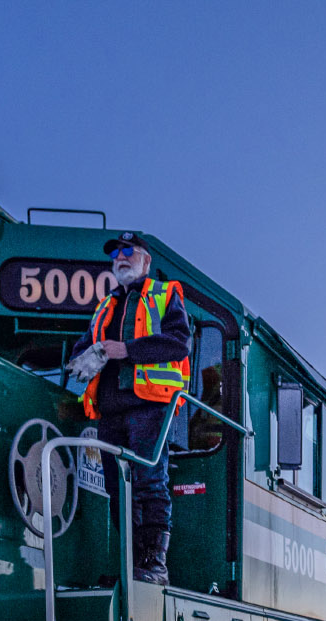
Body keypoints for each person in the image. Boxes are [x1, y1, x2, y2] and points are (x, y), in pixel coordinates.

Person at [66, 233, 191, 585]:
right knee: (117, 490)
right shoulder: (104, 307)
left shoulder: (166, 296)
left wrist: (126, 350)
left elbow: (178, 344)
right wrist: (83, 359)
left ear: (146, 261)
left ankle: (155, 565)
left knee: (150, 483)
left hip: (149, 406)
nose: (120, 258)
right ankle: (129, 562)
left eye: (128, 251)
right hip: (109, 414)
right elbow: (80, 351)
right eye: (116, 254)